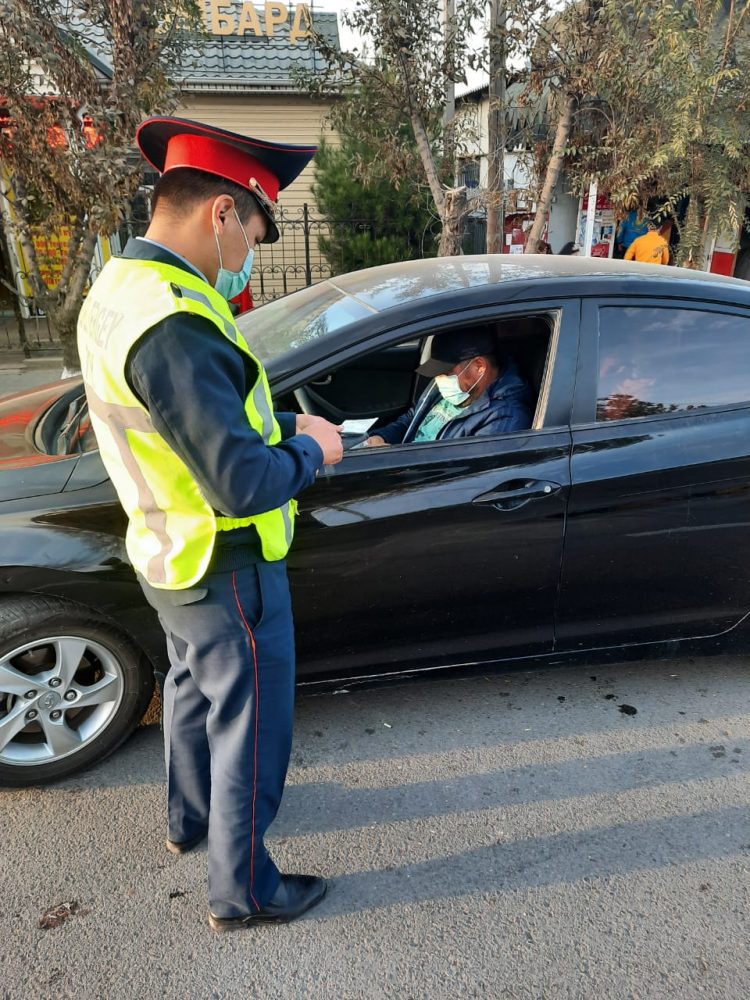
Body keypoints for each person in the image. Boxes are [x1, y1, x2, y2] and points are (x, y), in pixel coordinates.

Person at [77, 117, 343, 933]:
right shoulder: (178, 322)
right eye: (256, 229)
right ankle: (246, 891)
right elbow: (241, 484)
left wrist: (277, 426)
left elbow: (190, 426)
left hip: (169, 554)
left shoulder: (122, 288)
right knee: (250, 728)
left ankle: (187, 822)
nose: (252, 251)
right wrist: (316, 452)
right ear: (221, 213)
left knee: (192, 695)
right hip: (227, 566)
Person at [365, 327, 534, 447]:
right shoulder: (459, 385)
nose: (439, 380)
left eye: (446, 372)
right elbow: (412, 418)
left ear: (479, 367)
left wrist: (393, 462)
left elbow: (460, 478)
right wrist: (381, 437)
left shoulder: (504, 419)